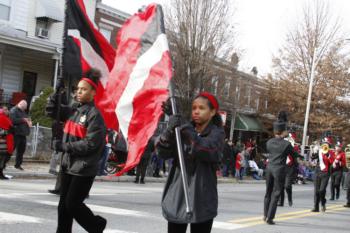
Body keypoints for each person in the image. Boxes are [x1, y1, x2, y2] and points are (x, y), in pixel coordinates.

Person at [46, 68, 107, 233]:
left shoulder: (95, 116)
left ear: (93, 92)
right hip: (68, 165)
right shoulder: (73, 109)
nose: (79, 92)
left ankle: (96, 226)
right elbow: (52, 111)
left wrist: (64, 146)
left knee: (73, 204)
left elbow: (90, 144)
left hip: (84, 169)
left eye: (84, 89)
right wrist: (56, 94)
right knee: (63, 207)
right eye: (78, 89)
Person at [156, 92, 225, 233]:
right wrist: (170, 130)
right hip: (178, 195)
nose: (196, 111)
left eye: (201, 108)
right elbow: (163, 152)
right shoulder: (181, 130)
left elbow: (204, 149)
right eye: (194, 108)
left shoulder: (217, 134)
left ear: (212, 112)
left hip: (202, 199)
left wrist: (185, 127)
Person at [263, 111, 296, 225]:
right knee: (276, 193)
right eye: (286, 130)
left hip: (269, 168)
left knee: (268, 192)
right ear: (283, 131)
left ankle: (265, 214)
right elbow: (294, 155)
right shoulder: (286, 144)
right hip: (279, 170)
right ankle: (270, 218)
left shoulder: (269, 142)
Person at [279, 134, 302, 207]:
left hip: (290, 167)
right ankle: (281, 201)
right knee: (280, 186)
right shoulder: (282, 145)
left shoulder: (295, 147)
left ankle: (289, 198)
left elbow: (297, 155)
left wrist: (292, 147)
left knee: (287, 186)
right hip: (282, 167)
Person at [310, 140, 334, 212]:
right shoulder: (319, 152)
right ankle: (316, 207)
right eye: (323, 145)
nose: (324, 146)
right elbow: (313, 158)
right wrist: (313, 150)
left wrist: (327, 154)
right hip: (317, 171)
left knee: (322, 190)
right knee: (316, 191)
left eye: (326, 145)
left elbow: (332, 161)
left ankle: (323, 203)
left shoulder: (331, 153)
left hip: (326, 172)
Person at [9, 100, 32, 170]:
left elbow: (26, 119)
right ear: (21, 105)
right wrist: (23, 120)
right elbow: (12, 120)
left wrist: (29, 121)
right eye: (25, 107)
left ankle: (18, 165)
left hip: (23, 134)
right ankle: (3, 163)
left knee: (21, 151)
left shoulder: (23, 112)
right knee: (11, 149)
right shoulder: (14, 110)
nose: (25, 108)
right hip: (16, 133)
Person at [0, 106, 14, 179]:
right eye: (5, 109)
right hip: (2, 142)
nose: (7, 111)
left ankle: (1, 173)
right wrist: (7, 132)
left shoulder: (6, 118)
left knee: (3, 159)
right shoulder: (1, 117)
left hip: (6, 142)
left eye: (7, 109)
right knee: (2, 158)